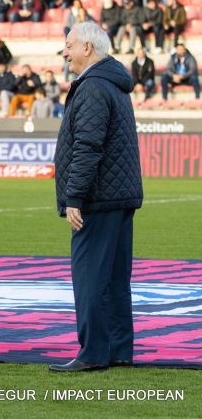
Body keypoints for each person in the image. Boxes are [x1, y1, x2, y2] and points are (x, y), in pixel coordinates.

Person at [50, 21, 143, 372]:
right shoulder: (115, 85)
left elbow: (87, 147)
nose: (65, 52)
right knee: (116, 279)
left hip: (98, 199)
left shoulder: (92, 87)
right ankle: (119, 349)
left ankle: (92, 352)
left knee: (90, 275)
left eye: (69, 45)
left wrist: (74, 196)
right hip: (120, 196)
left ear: (87, 48)